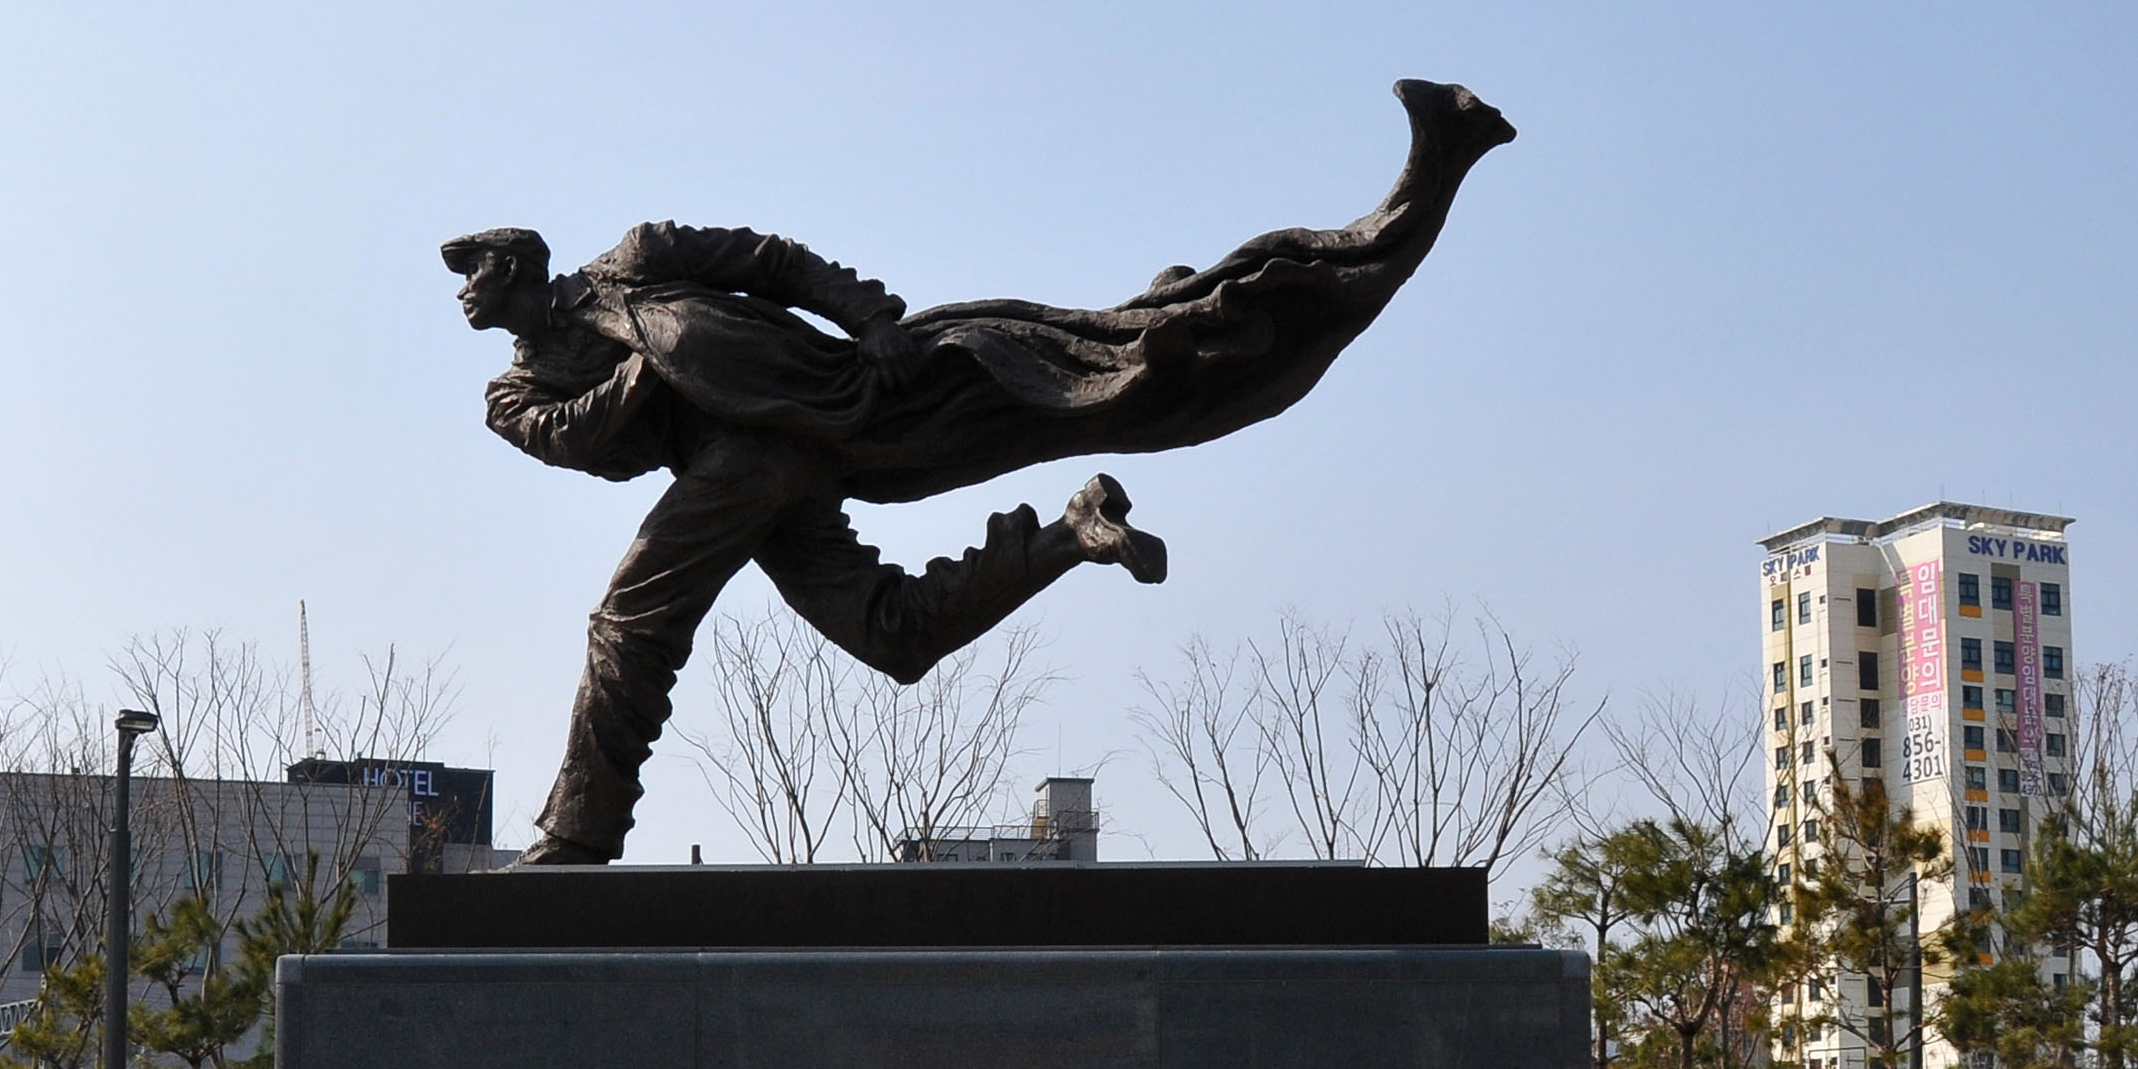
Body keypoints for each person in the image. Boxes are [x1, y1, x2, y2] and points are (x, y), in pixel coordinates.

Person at [453, 78, 1515, 863]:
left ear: (517, 261)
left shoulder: (636, 257)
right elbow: (583, 443)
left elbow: (772, 262)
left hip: (834, 405)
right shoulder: (514, 393)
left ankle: (577, 839)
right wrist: (652, 364)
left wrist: (868, 316)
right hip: (742, 465)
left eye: (473, 267)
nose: (462, 287)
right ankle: (1068, 535)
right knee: (891, 635)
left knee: (630, 624)